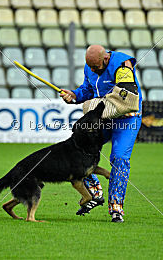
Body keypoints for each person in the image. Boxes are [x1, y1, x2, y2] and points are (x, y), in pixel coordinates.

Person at [60, 45, 143, 223]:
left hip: (126, 119)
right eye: (89, 67)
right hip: (102, 119)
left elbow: (127, 93)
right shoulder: (90, 67)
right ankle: (94, 192)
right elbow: (88, 90)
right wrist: (74, 95)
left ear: (105, 59)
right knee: (76, 149)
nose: (92, 70)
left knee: (119, 157)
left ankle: (116, 207)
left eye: (95, 67)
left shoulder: (122, 65)